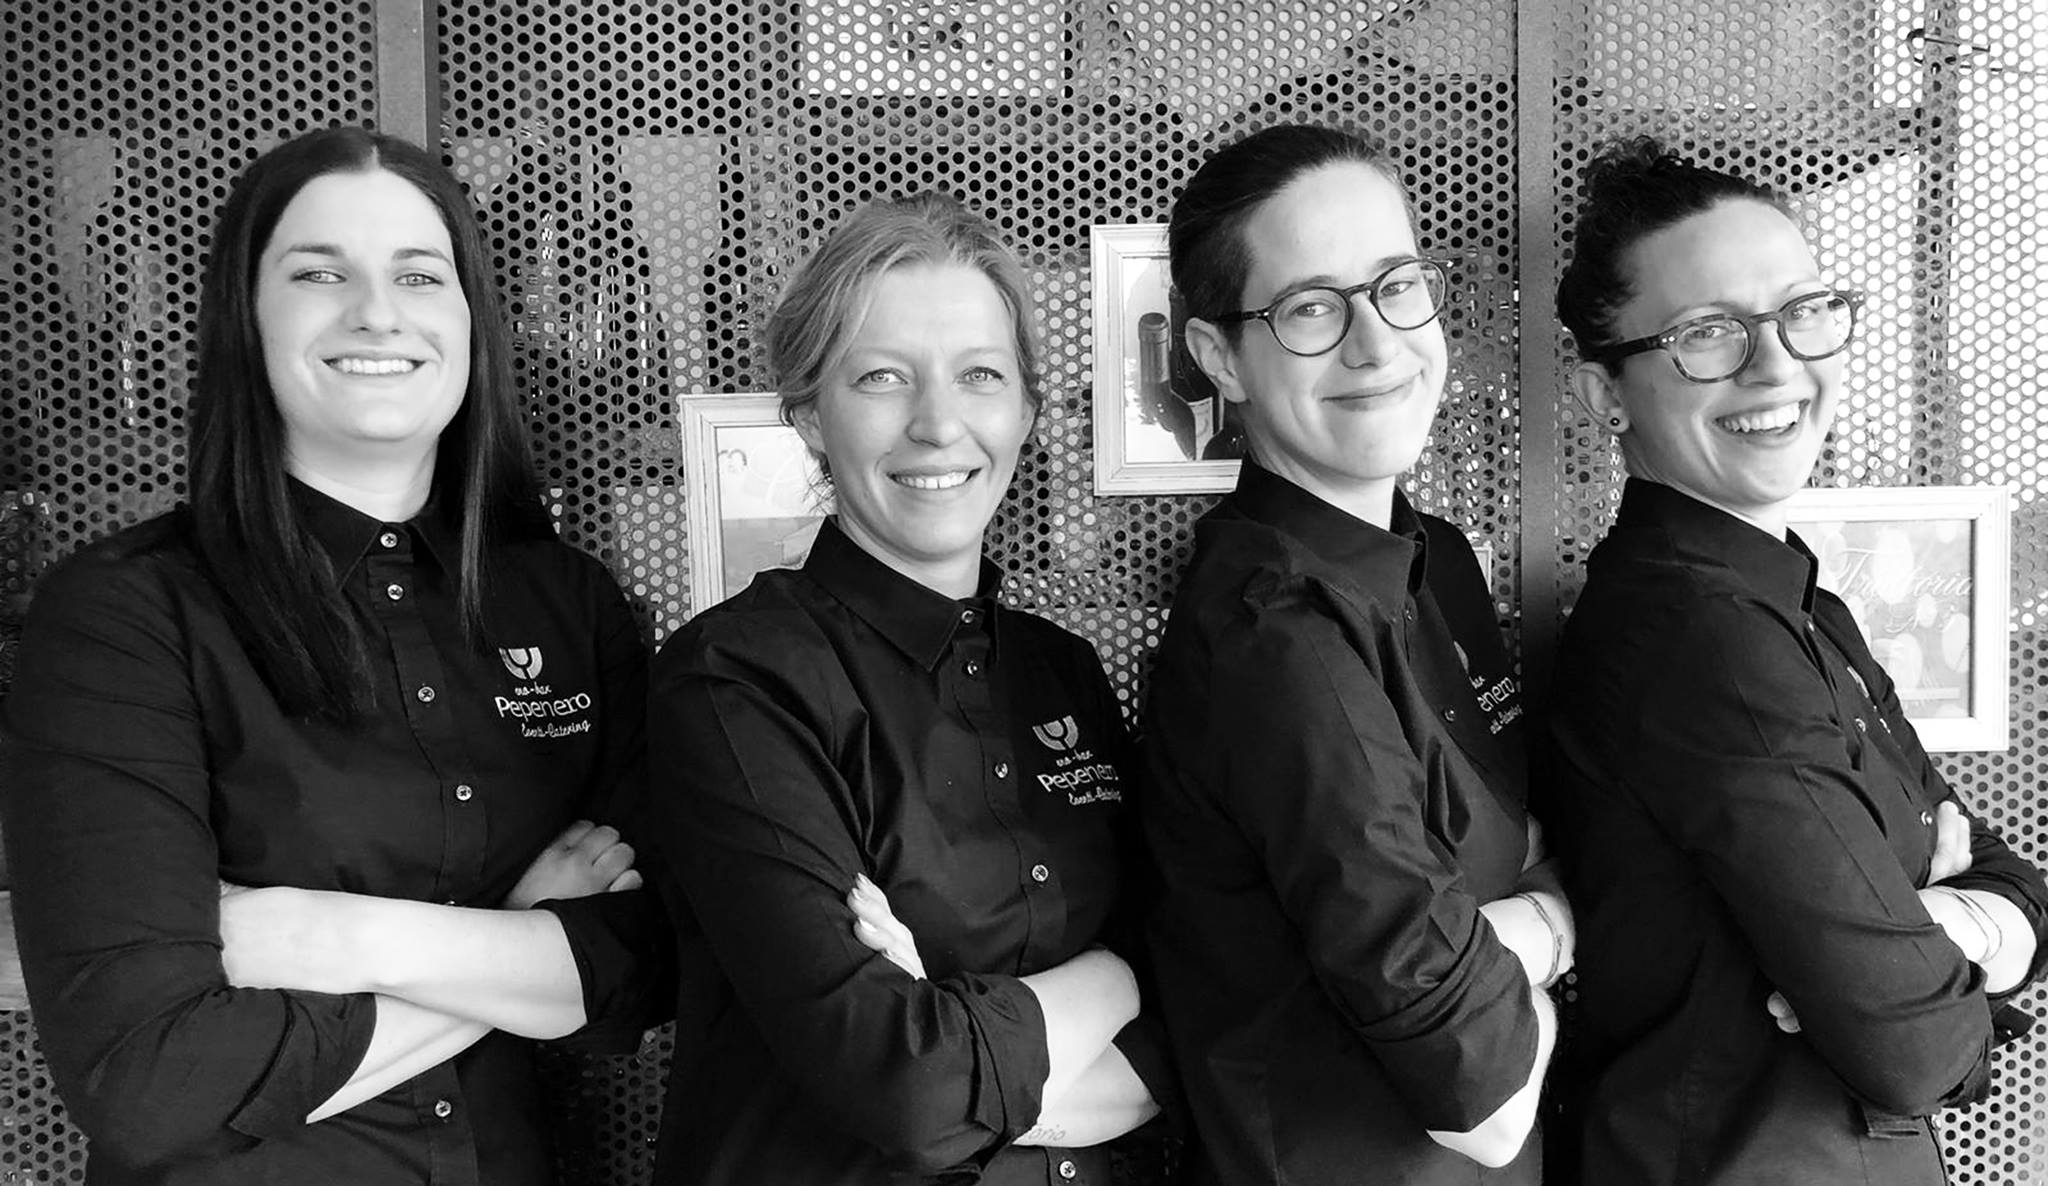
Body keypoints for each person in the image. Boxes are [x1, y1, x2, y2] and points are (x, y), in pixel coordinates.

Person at [0, 127, 672, 1185]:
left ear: (470, 319)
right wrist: (514, 938)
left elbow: (647, 966)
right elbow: (150, 1082)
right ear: (246, 318)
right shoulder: (125, 617)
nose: (377, 312)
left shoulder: (570, 605)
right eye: (320, 274)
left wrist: (330, 937)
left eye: (420, 274)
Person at [1546, 137, 2048, 1184]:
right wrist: (1943, 954)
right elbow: (1912, 1049)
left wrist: (1945, 924)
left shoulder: (1796, 601)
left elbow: (2014, 880)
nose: (1774, 365)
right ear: (1604, 394)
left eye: (1801, 312)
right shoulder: (1698, 635)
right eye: (1706, 333)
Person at [647, 191, 1170, 1185]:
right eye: (882, 377)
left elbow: (1194, 1016)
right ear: (810, 414)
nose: (938, 424)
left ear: (1025, 411)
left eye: (979, 376)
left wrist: (954, 1032)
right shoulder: (734, 680)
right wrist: (1114, 978)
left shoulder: (1064, 670)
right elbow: (904, 1087)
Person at [1142, 123, 1569, 1184]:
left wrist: (1490, 933)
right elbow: (1478, 1090)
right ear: (1218, 358)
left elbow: (1514, 848)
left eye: (1395, 285)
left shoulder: (1437, 560)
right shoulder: (1274, 634)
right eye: (1309, 308)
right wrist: (1561, 920)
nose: (1376, 344)